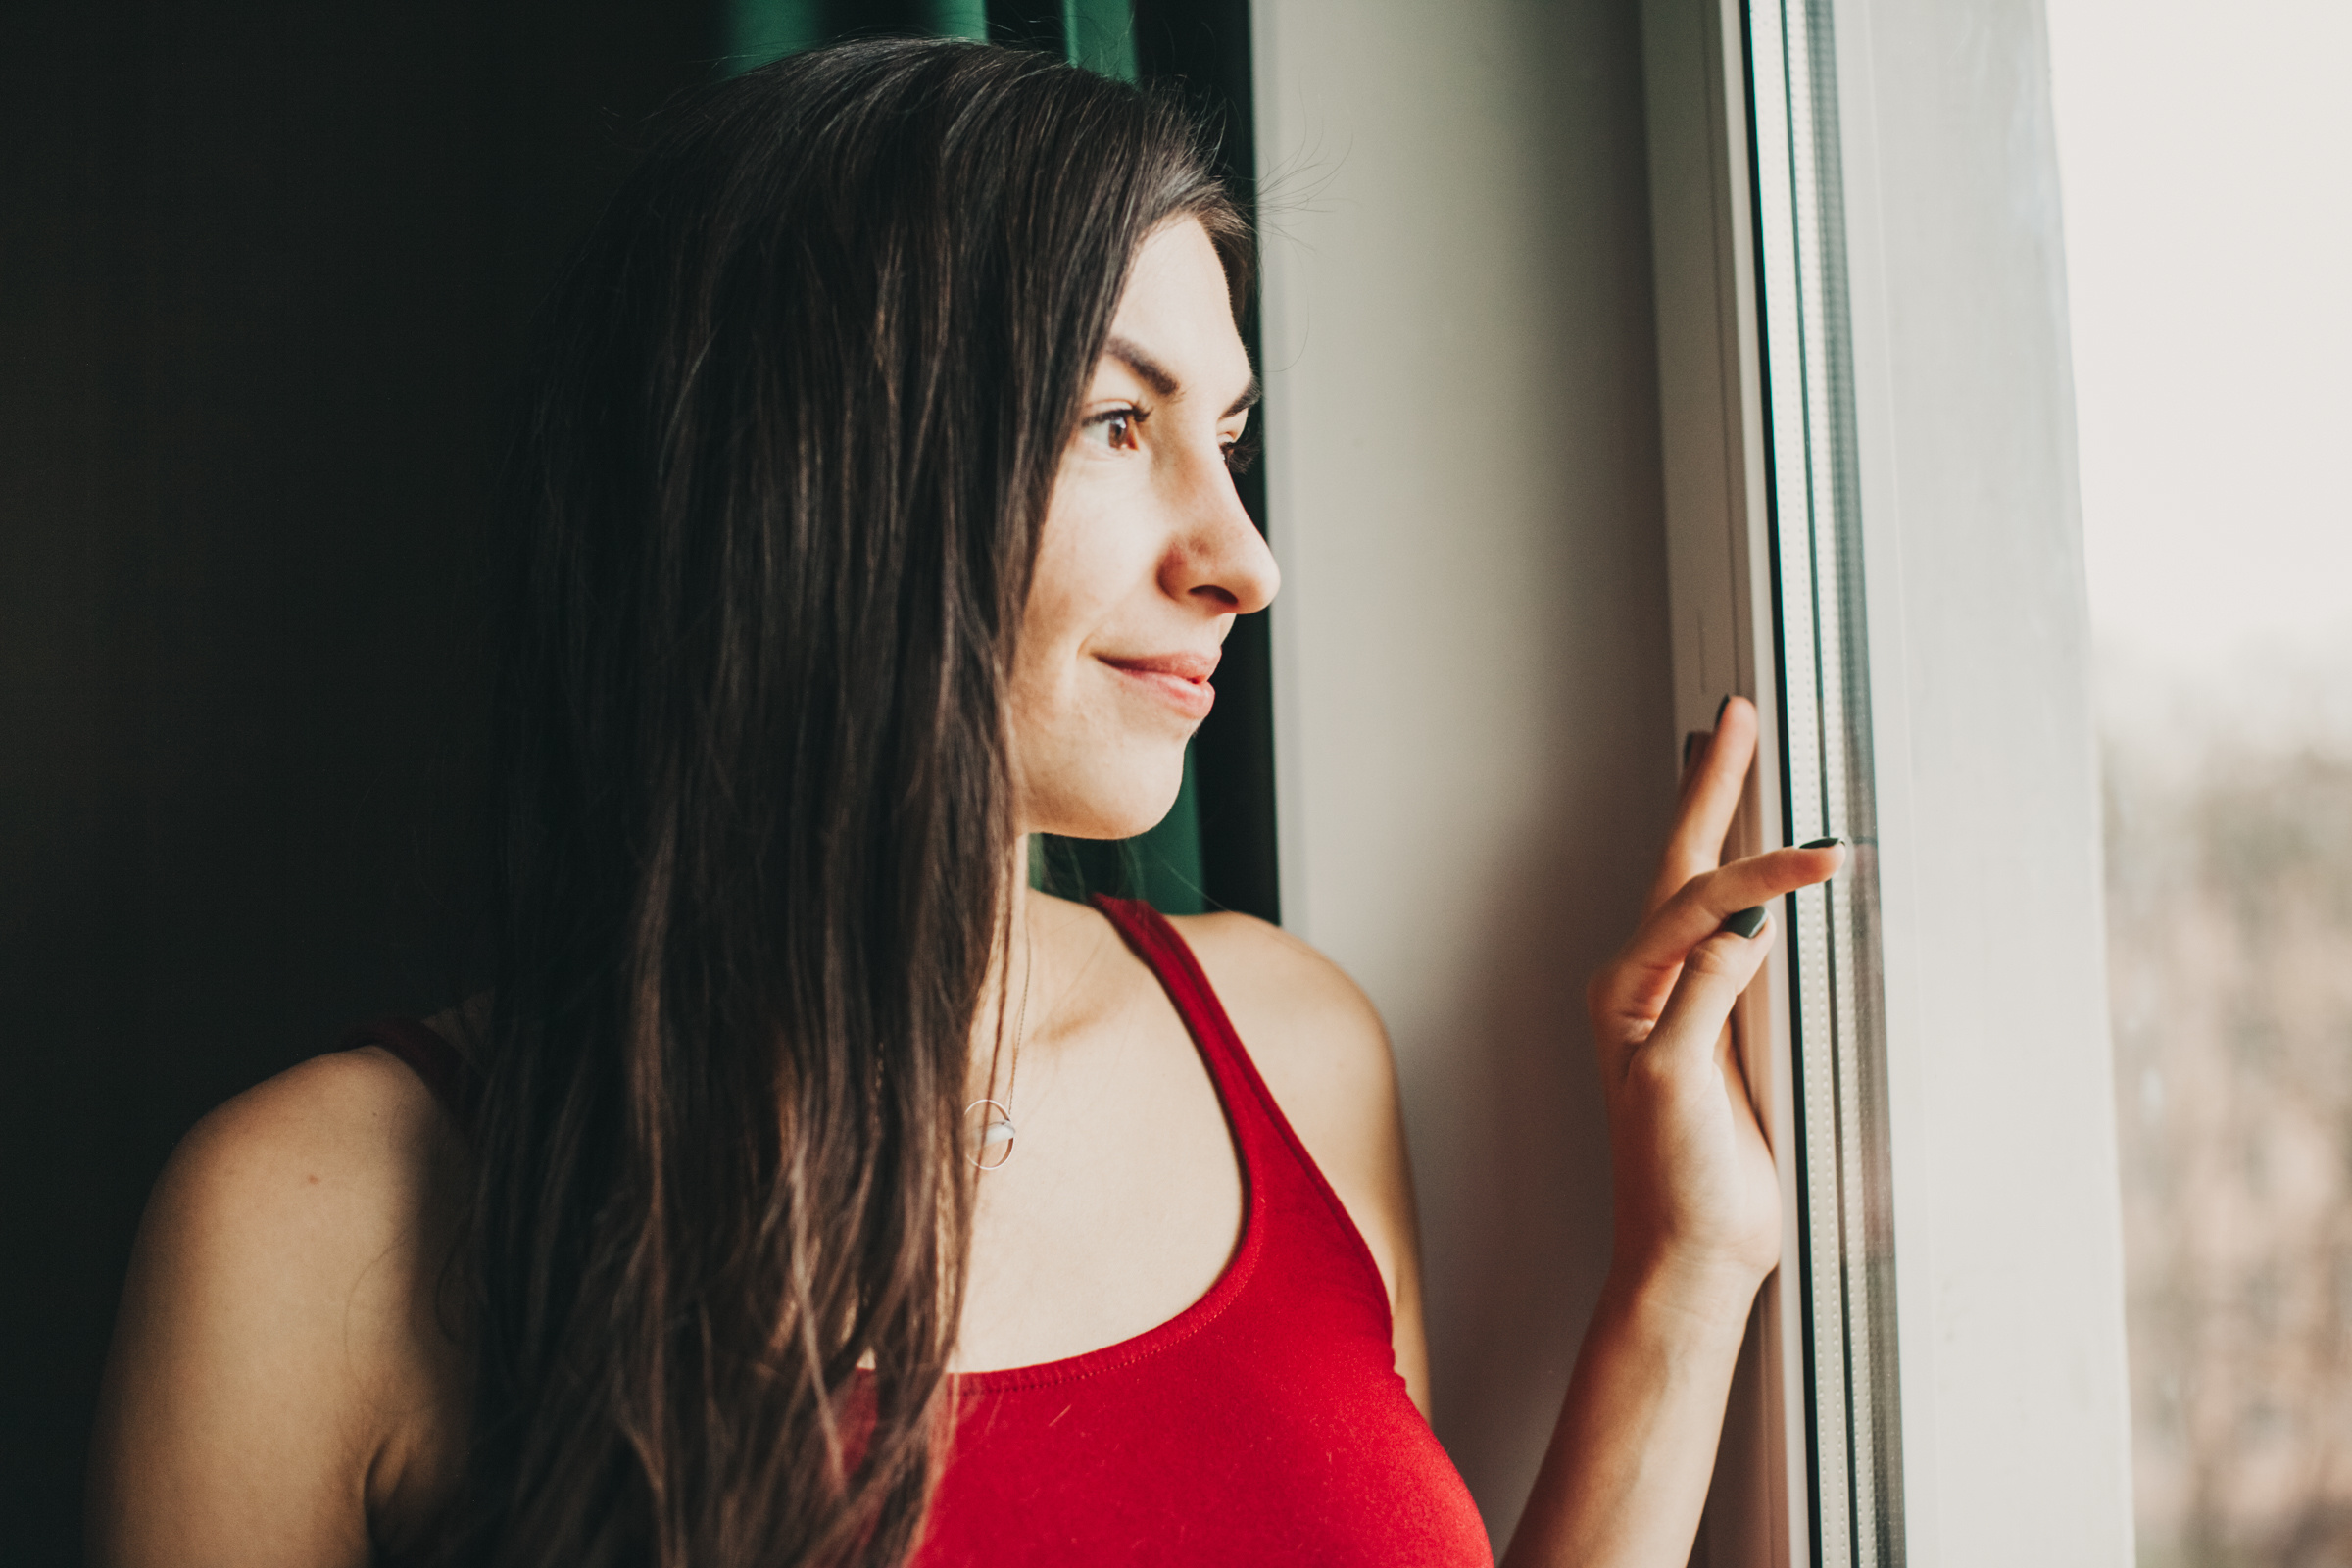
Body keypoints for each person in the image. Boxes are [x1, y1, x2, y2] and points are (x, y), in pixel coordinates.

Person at [86, 37, 1841, 1568]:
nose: (1245, 559)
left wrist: (1687, 1276)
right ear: (812, 473)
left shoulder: (1293, 1049)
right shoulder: (312, 1223)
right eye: (1114, 424)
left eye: (1229, 438)